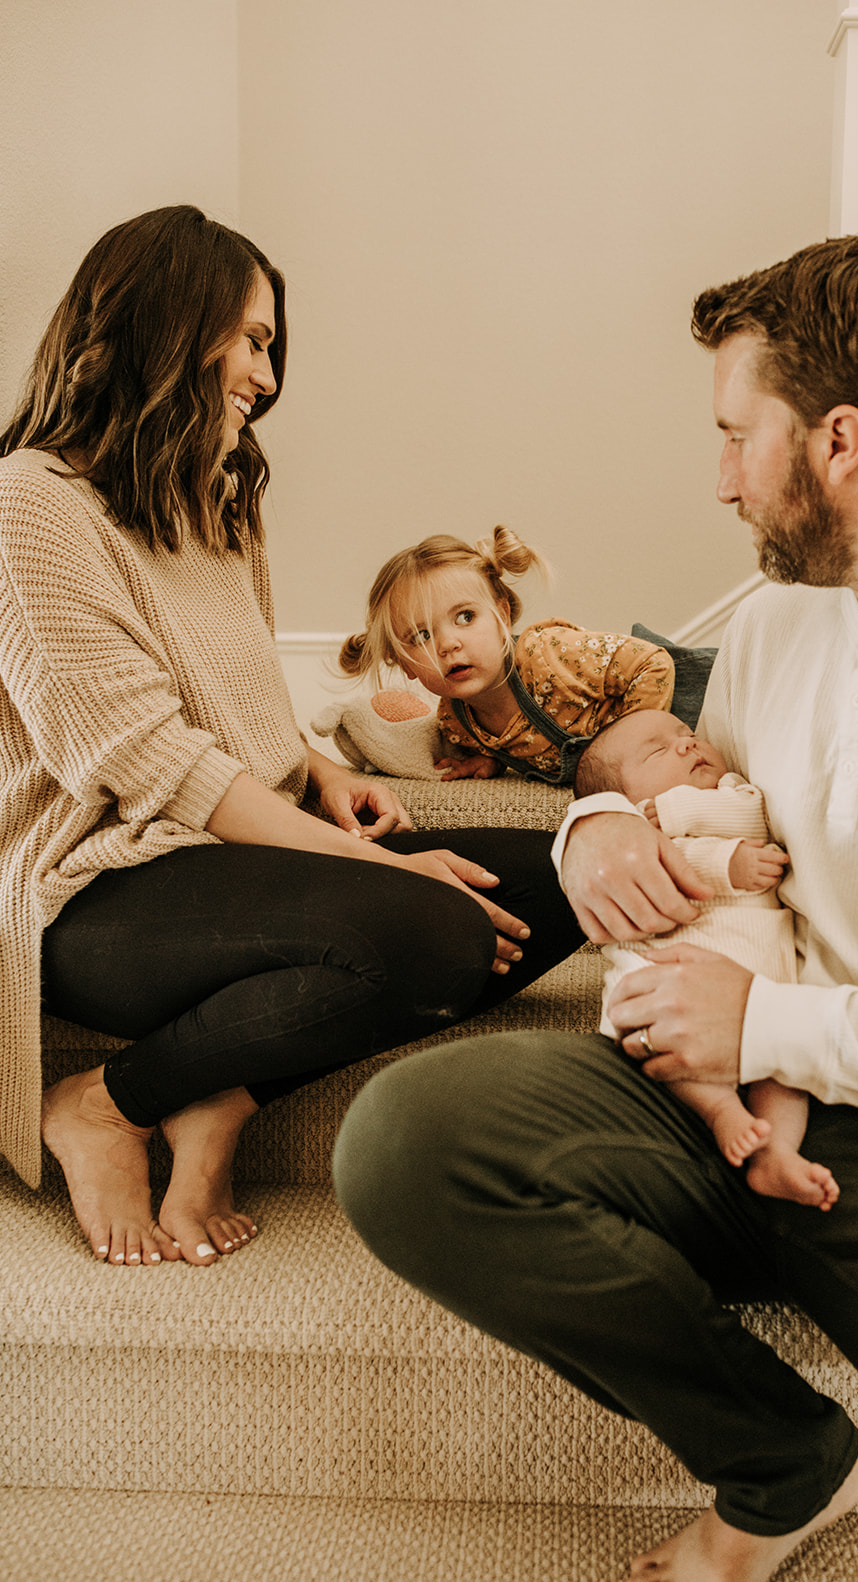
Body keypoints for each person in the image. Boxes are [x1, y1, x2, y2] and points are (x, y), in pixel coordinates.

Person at [334, 232, 858, 1582]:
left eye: (738, 435)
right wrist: (593, 823)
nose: (717, 474)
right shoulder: (782, 622)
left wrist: (773, 1018)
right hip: (703, 1090)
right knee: (404, 1142)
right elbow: (689, 801)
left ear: (836, 440)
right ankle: (779, 1457)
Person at [0, 204, 582, 1271]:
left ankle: (218, 1091)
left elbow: (226, 702)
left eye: (271, 348)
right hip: (95, 893)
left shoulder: (217, 499)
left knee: (559, 874)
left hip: (225, 856)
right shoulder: (28, 504)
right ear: (174, 323)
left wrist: (314, 768)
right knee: (439, 927)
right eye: (253, 340)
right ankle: (103, 1103)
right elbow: (145, 758)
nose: (266, 378)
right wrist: (371, 864)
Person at [574, 708, 838, 1210]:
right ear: (623, 801)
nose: (686, 745)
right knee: (667, 1043)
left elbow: (750, 817)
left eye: (687, 734)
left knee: (786, 1072)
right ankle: (720, 1113)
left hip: (762, 979)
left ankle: (775, 1153)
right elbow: (672, 872)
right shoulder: (635, 836)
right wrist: (721, 860)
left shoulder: (731, 793)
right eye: (658, 750)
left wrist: (681, 818)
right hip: (666, 971)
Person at [336, 528, 675, 785]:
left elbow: (653, 664)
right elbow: (525, 740)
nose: (448, 644)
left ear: (502, 616)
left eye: (465, 617)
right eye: (421, 636)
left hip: (692, 703)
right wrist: (494, 760)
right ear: (404, 664)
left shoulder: (549, 655)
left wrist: (638, 751)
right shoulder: (458, 724)